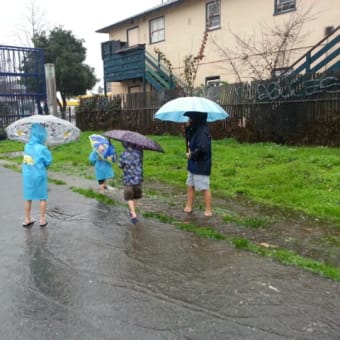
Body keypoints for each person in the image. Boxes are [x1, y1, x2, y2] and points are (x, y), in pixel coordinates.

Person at [22, 123, 53, 228]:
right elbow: (48, 161)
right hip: (39, 175)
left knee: (28, 197)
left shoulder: (26, 146)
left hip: (28, 175)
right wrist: (48, 151)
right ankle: (42, 219)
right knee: (42, 197)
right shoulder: (42, 148)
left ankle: (27, 219)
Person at [183, 112, 213, 217]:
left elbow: (203, 148)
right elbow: (190, 142)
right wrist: (187, 129)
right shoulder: (195, 129)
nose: (189, 120)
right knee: (190, 184)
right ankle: (189, 205)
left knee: (204, 187)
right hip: (193, 163)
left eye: (190, 118)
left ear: (196, 119)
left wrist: (192, 154)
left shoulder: (203, 132)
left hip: (201, 164)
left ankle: (208, 210)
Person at [118, 141, 143, 224]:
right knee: (135, 196)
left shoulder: (123, 154)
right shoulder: (139, 152)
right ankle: (133, 211)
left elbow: (120, 165)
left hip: (128, 179)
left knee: (129, 197)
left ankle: (133, 214)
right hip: (138, 178)